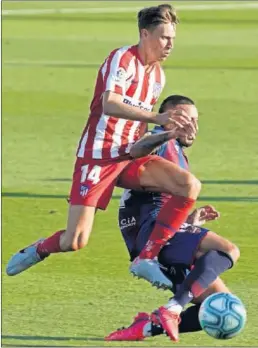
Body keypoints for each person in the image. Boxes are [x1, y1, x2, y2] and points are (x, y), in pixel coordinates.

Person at [6, 4, 201, 292]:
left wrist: (170, 133)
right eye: (163, 37)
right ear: (144, 34)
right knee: (75, 241)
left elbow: (139, 140)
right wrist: (156, 117)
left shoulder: (158, 76)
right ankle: (39, 249)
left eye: (173, 38)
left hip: (130, 156)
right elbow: (109, 103)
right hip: (98, 157)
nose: (170, 44)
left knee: (188, 185)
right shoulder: (122, 58)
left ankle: (146, 258)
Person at [105, 95, 240, 342]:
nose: (192, 127)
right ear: (169, 119)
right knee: (228, 249)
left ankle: (145, 328)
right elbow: (138, 149)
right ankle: (173, 307)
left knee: (221, 306)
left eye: (195, 121)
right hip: (152, 235)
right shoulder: (160, 139)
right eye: (186, 120)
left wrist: (191, 222)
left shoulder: (176, 152)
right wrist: (167, 132)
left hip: (160, 235)